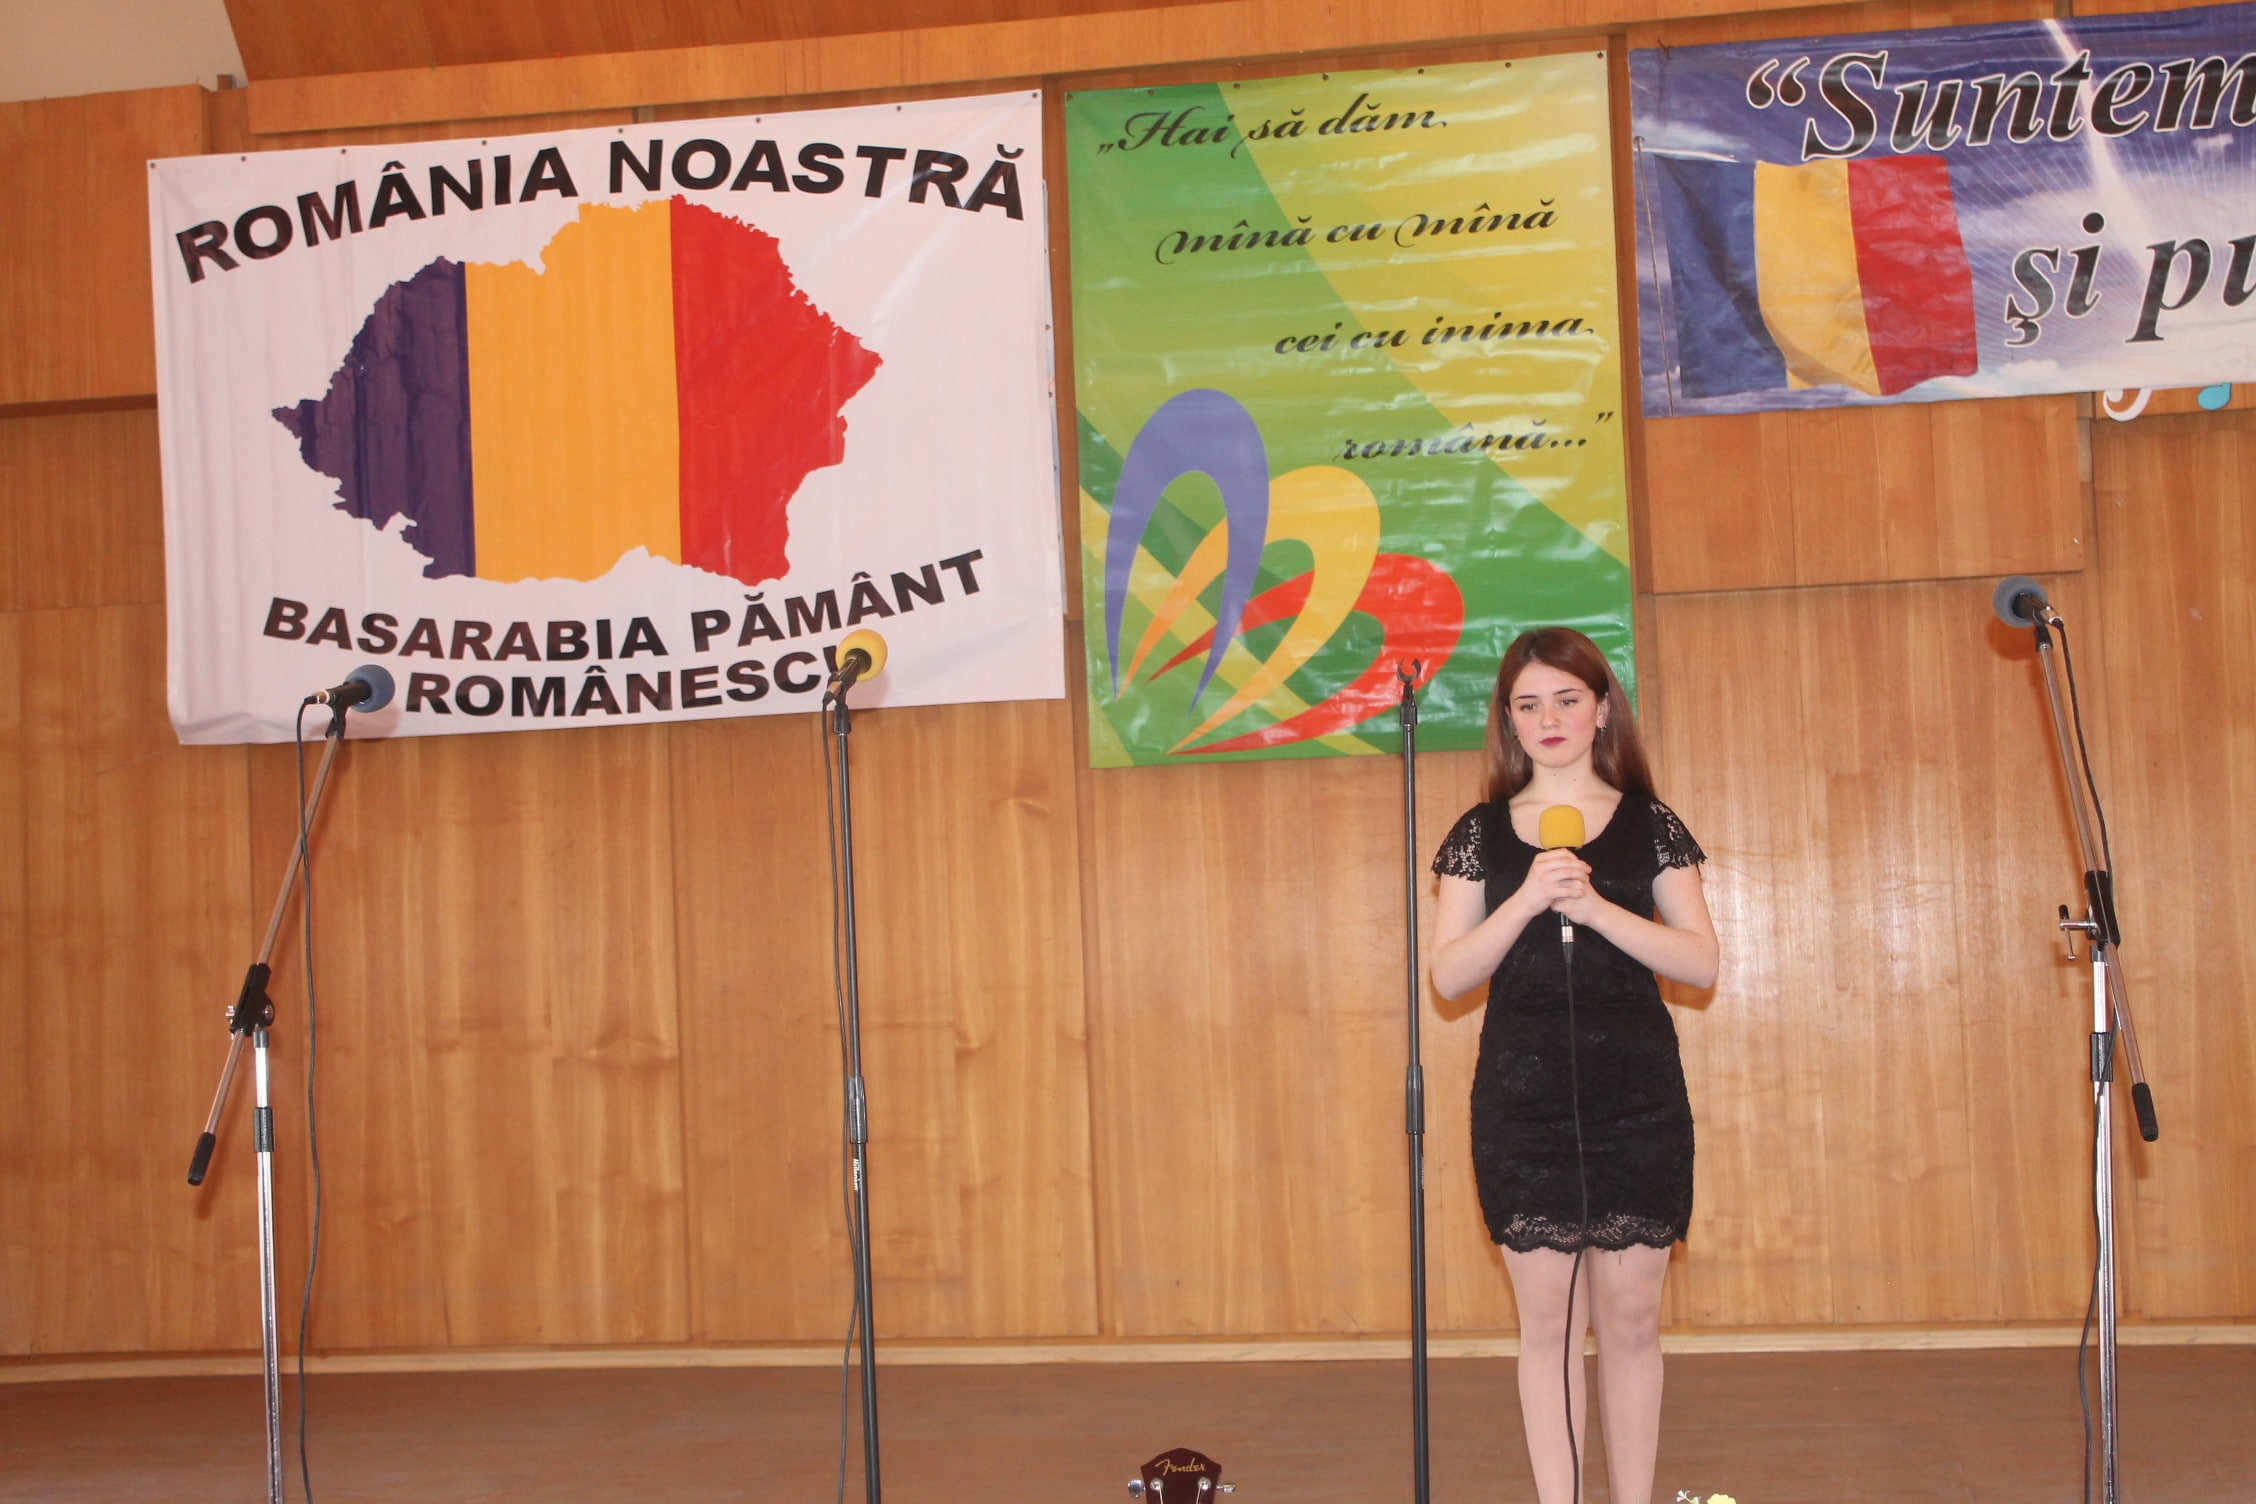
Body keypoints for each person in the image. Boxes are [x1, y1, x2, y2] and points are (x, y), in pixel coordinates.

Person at [1430, 627, 1718, 1504]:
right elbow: (1449, 976)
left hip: (1636, 1096)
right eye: (1528, 705)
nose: (1548, 719)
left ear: (1601, 710)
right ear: (1508, 721)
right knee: (1547, 1325)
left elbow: (1700, 962)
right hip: (1524, 1104)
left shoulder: (1650, 823)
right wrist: (1527, 899)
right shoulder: (1480, 834)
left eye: (1566, 699)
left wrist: (1594, 909)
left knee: (1631, 1321)